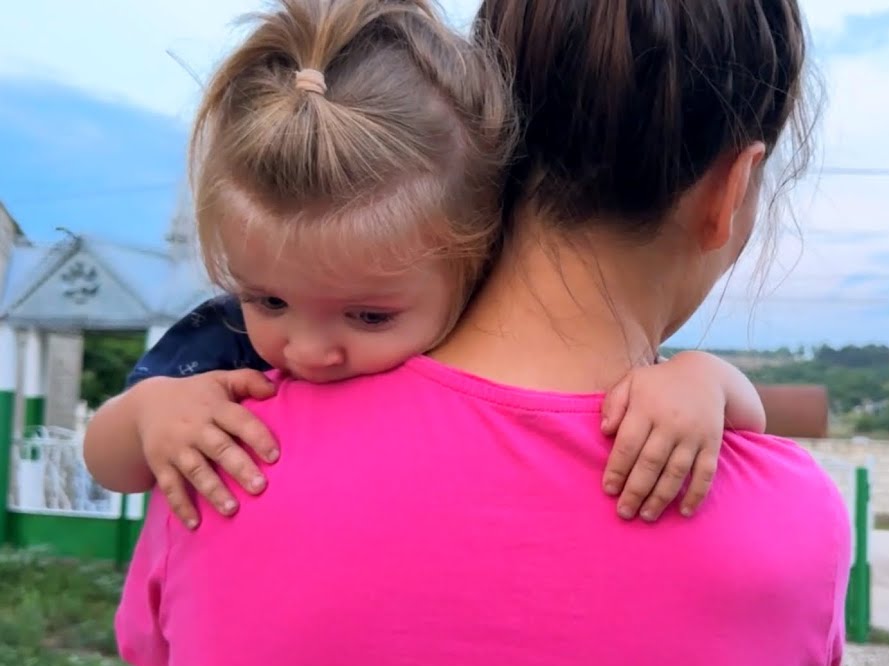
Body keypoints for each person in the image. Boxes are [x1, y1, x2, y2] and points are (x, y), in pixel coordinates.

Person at [109, 0, 852, 666]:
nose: (309, 348)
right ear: (731, 188)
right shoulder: (791, 522)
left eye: (367, 315)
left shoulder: (221, 459)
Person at [85, 0, 768, 528]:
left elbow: (751, 419)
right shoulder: (224, 344)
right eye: (269, 300)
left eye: (369, 314)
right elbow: (106, 462)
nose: (310, 348)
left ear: (475, 259)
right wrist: (152, 414)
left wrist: (698, 381)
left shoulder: (491, 329)